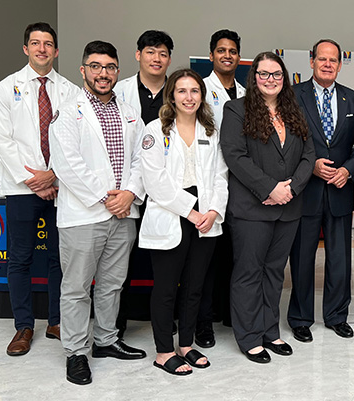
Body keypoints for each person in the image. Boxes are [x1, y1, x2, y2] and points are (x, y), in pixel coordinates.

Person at [49, 40, 147, 385]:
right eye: (95, 66)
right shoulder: (68, 109)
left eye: (109, 67)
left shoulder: (129, 110)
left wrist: (131, 193)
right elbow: (67, 163)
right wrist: (107, 198)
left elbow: (142, 158)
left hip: (123, 214)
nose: (102, 73)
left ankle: (105, 340)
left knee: (112, 284)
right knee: (76, 287)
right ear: (83, 70)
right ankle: (76, 351)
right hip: (85, 214)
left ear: (117, 71)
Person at [0, 22, 78, 356]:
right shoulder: (4, 88)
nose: (42, 49)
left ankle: (56, 320)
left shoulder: (70, 91)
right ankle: (23, 326)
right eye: (36, 43)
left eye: (48, 43)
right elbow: (2, 140)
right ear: (26, 48)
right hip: (22, 186)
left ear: (56, 51)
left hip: (60, 186)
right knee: (20, 259)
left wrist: (53, 176)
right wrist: (34, 181)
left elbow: (74, 141)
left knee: (60, 258)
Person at [220, 52, 315, 364]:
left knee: (275, 272)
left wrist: (290, 188)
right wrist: (270, 188)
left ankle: (269, 330)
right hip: (252, 208)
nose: (270, 79)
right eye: (264, 74)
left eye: (276, 74)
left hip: (288, 207)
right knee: (249, 272)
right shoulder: (236, 109)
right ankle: (249, 337)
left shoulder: (294, 110)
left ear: (284, 78)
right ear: (254, 77)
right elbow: (235, 156)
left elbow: (308, 155)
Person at [138, 69, 229, 375]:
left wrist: (213, 212)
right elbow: (155, 182)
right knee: (166, 288)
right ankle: (164, 351)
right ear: (172, 96)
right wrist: (192, 212)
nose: (189, 97)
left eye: (194, 91)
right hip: (173, 215)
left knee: (194, 287)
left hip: (205, 217)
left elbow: (220, 176)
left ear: (202, 96)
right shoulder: (155, 130)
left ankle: (186, 344)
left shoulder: (210, 131)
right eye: (182, 91)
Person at [287, 39, 354, 342]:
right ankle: (301, 318)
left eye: (334, 60)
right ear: (311, 62)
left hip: (340, 190)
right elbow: (286, 143)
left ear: (340, 64)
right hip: (306, 190)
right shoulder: (292, 96)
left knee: (339, 259)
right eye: (322, 59)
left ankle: (336, 315)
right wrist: (310, 166)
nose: (328, 64)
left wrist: (348, 169)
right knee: (303, 258)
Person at [113, 29, 175, 339]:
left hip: (165, 193)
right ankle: (116, 326)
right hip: (128, 191)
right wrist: (130, 190)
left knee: (164, 263)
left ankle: (164, 324)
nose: (156, 58)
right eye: (151, 52)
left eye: (163, 54)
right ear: (138, 55)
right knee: (121, 264)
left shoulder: (178, 94)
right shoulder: (120, 91)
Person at [196, 29, 246, 349]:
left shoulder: (245, 92)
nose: (227, 55)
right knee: (206, 258)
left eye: (232, 51)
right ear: (211, 55)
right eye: (221, 50)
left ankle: (230, 313)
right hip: (209, 181)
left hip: (238, 185)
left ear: (239, 57)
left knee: (233, 253)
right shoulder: (199, 89)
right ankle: (205, 320)